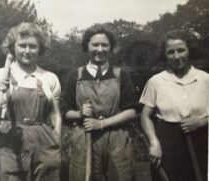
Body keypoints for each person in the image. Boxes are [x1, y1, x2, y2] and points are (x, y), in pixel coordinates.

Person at [0, 22, 62, 181]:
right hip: (10, 147)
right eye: (22, 45)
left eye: (33, 46)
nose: (27, 51)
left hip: (45, 147)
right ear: (12, 47)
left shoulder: (49, 78)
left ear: (40, 48)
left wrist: (55, 141)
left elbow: (55, 115)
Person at [61, 24, 137, 181]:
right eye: (95, 44)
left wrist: (101, 124)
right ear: (87, 46)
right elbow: (64, 110)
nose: (100, 49)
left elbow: (132, 111)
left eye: (104, 45)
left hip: (116, 139)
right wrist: (80, 113)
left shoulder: (121, 75)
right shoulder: (75, 75)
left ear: (110, 48)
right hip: (84, 138)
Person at [140, 29, 208, 181]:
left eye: (181, 50)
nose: (177, 57)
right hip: (167, 142)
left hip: (201, 140)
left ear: (189, 50)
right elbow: (145, 116)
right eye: (171, 52)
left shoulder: (205, 79)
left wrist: (202, 121)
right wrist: (154, 142)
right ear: (164, 55)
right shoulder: (156, 81)